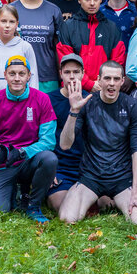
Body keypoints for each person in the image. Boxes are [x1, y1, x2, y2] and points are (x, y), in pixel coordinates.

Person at [57, 62, 137, 225]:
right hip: (91, 177)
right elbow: (65, 144)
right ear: (99, 80)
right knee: (67, 219)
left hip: (122, 178)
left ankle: (111, 201)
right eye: (107, 78)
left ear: (122, 81)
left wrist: (136, 190)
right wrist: (74, 111)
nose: (111, 83)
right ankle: (98, 202)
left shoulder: (132, 106)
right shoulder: (87, 104)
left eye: (116, 79)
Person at [0, 56, 58, 221]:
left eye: (21, 74)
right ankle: (14, 192)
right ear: (5, 75)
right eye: (12, 73)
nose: (17, 78)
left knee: (49, 159)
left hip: (28, 160)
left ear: (29, 75)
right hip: (1, 163)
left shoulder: (42, 99)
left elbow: (48, 141)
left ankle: (33, 205)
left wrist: (23, 152)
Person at [56, 0, 126, 92]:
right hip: (74, 88)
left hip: (103, 89)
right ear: (79, 0)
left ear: (101, 0)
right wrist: (88, 84)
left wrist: (104, 82)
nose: (92, 3)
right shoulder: (68, 26)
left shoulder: (112, 28)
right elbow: (66, 61)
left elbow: (117, 62)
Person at [47, 54, 91, 213]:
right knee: (58, 204)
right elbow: (42, 137)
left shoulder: (90, 99)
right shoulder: (49, 99)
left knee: (106, 203)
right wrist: (48, 170)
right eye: (67, 72)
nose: (72, 76)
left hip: (86, 167)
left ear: (83, 73)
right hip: (60, 167)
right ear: (60, 74)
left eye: (76, 72)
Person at [14, 0, 63, 95]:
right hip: (17, 76)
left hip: (47, 77)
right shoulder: (11, 9)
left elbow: (60, 45)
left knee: (47, 115)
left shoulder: (53, 10)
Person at [0, 4, 38, 103]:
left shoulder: (25, 47)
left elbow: (33, 78)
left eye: (11, 22)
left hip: (20, 102)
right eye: (3, 21)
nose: (7, 25)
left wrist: (32, 102)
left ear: (17, 24)